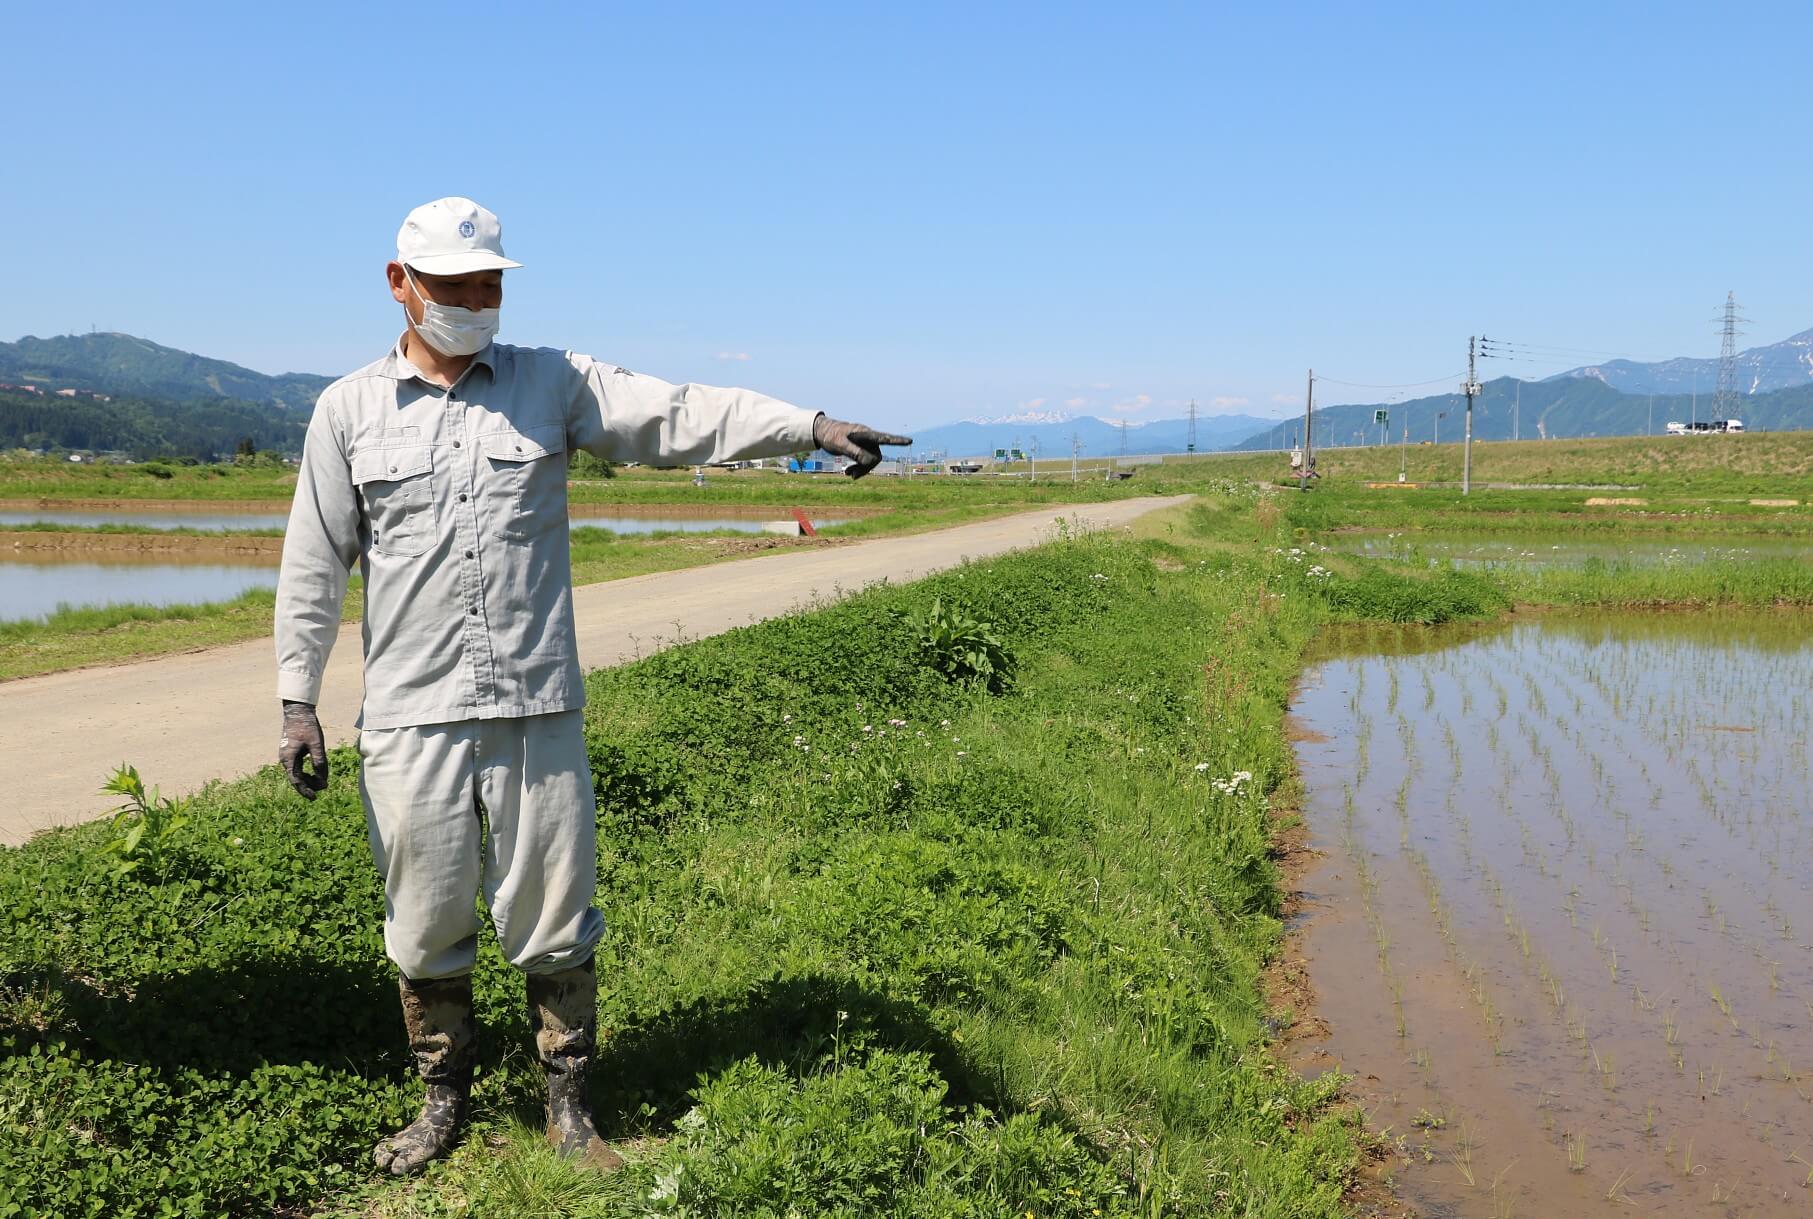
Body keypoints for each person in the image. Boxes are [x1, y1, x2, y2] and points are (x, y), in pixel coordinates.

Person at [273, 197, 910, 1176]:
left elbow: (681, 412)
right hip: (412, 719)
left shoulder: (550, 384)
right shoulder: (348, 411)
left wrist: (809, 424)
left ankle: (569, 1113)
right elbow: (313, 563)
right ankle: (440, 1103)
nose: (472, 302)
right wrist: (296, 700)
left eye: (486, 284)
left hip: (536, 708)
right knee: (424, 919)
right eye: (450, 285)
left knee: (555, 917)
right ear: (398, 284)